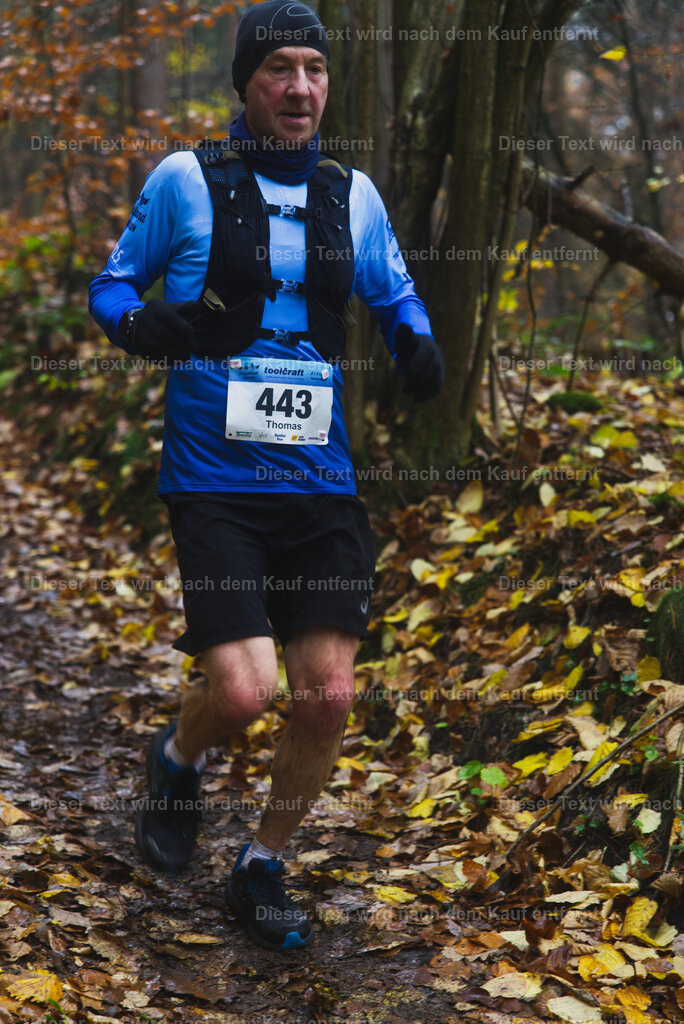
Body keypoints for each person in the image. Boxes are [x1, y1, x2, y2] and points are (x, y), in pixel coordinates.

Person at [88, 0, 444, 952]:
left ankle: (262, 861)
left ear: (328, 85)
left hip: (319, 487)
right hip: (212, 482)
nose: (298, 86)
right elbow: (111, 283)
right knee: (244, 693)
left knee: (328, 694)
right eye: (279, 67)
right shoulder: (184, 180)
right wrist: (134, 324)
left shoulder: (350, 193)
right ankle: (176, 759)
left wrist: (417, 345)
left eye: (313, 70)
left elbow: (396, 290)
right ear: (245, 82)